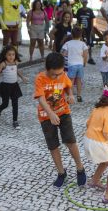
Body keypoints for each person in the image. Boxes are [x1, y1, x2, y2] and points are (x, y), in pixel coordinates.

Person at [33, 52, 86, 188]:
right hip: (46, 116)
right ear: (47, 68)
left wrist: (70, 95)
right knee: (53, 145)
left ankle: (80, 168)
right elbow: (41, 98)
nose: (58, 76)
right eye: (54, 74)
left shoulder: (63, 74)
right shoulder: (40, 79)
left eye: (60, 73)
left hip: (63, 112)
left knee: (70, 141)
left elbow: (68, 87)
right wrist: (50, 114)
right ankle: (61, 172)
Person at [0, 45, 27, 130]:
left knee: (15, 104)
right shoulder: (3, 64)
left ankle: (15, 121)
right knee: (5, 103)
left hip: (14, 86)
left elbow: (17, 70)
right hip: (6, 86)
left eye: (13, 54)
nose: (11, 57)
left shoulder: (15, 62)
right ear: (5, 55)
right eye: (9, 55)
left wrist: (22, 77)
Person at [61, 26, 88, 102]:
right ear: (81, 35)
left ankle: (71, 95)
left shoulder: (68, 43)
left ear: (72, 34)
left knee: (71, 81)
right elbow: (86, 54)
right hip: (80, 65)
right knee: (79, 80)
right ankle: (79, 96)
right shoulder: (83, 44)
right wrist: (84, 63)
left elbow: (63, 53)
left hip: (71, 65)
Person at [76, 0, 96, 64]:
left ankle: (90, 57)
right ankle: (80, 58)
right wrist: (79, 28)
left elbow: (92, 20)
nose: (84, 3)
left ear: (87, 3)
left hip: (88, 30)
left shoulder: (90, 10)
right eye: (83, 2)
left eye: (85, 2)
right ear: (81, 2)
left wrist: (92, 29)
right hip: (81, 29)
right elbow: (78, 20)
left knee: (89, 44)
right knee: (80, 43)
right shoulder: (79, 10)